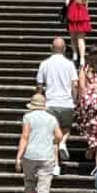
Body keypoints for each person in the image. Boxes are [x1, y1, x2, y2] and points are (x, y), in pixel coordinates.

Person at [15, 93, 63, 193]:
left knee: (29, 182)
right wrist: (52, 142)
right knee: (44, 191)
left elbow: (24, 137)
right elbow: (59, 136)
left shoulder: (28, 117)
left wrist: (18, 157)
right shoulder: (52, 118)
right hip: (47, 157)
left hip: (30, 155)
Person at [36, 38, 78, 166]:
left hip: (50, 103)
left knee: (53, 134)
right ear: (65, 49)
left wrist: (38, 99)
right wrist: (75, 100)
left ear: (52, 48)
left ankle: (55, 166)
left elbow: (39, 85)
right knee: (66, 128)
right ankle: (63, 142)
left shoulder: (44, 63)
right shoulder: (70, 64)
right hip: (66, 103)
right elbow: (75, 84)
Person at [65, 0, 92, 66]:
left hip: (73, 14)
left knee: (73, 37)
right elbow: (87, 5)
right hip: (82, 15)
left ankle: (75, 54)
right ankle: (82, 58)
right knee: (81, 38)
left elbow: (67, 3)